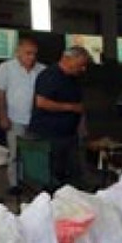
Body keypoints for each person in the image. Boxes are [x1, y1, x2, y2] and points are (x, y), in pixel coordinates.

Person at [28, 46, 90, 189]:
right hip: (49, 134)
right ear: (67, 59)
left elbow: (80, 104)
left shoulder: (74, 79)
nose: (83, 69)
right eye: (80, 64)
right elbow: (42, 102)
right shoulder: (49, 75)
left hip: (69, 134)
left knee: (73, 173)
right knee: (52, 175)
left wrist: (82, 126)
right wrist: (70, 107)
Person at [0, 36, 45, 196]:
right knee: (15, 153)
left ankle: (34, 183)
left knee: (35, 152)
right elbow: (0, 94)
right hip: (14, 117)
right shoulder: (5, 68)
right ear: (18, 52)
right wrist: (2, 116)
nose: (32, 57)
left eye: (34, 54)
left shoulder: (42, 69)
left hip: (36, 119)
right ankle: (14, 184)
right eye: (28, 53)